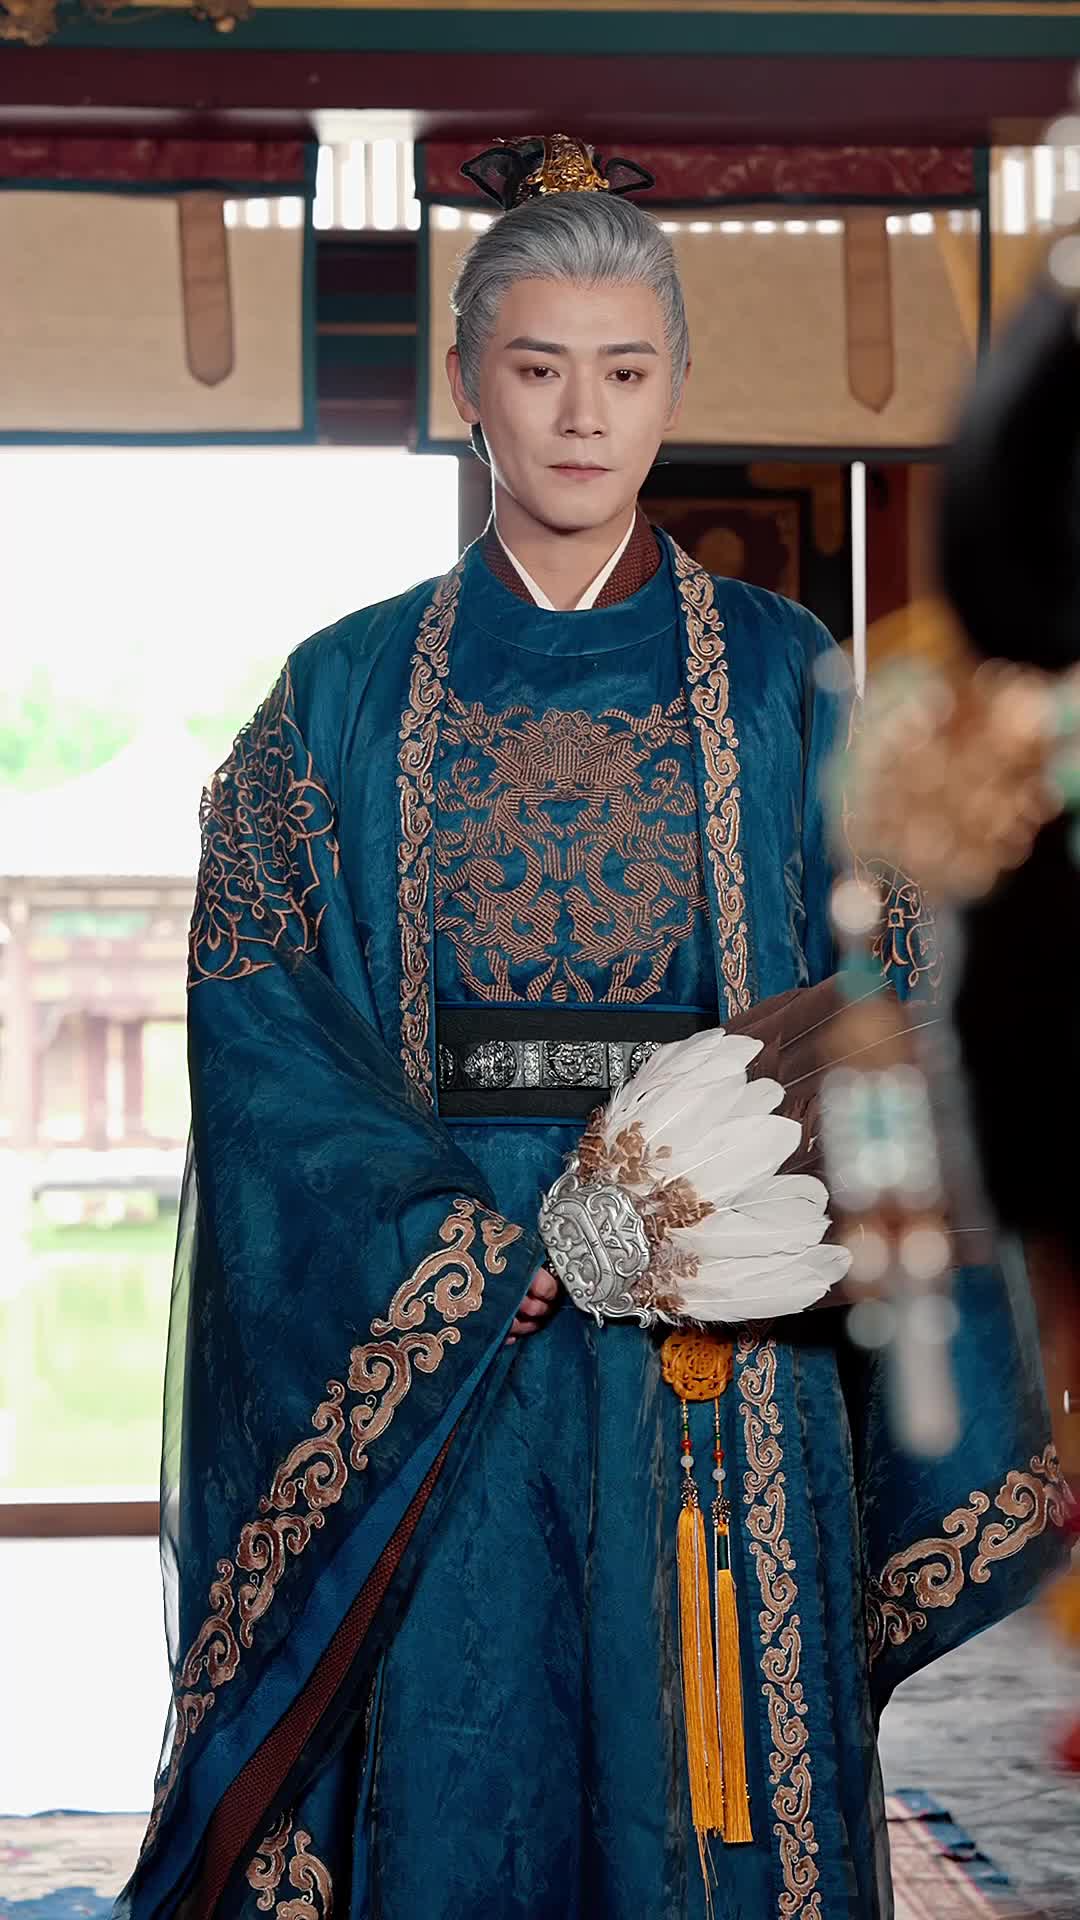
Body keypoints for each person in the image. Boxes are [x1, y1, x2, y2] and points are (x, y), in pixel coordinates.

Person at [118, 137, 1065, 1920]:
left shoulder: (793, 681)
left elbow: (913, 980)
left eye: (624, 372)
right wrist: (467, 1254)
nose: (581, 416)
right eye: (538, 368)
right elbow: (262, 1019)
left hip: (733, 1310)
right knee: (460, 1749)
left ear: (673, 387)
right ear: (465, 382)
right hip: (448, 1311)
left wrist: (736, 1185)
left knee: (706, 1781)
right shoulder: (337, 695)